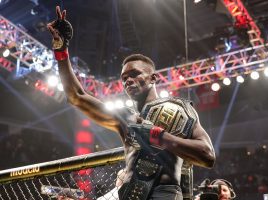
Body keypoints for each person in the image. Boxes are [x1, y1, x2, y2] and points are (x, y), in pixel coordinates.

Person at [47, 6, 216, 200]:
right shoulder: (124, 118)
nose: (128, 80)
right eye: (124, 78)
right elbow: (76, 96)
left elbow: (207, 155)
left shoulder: (180, 111)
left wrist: (158, 136)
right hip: (129, 195)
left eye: (135, 74)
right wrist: (61, 50)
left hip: (164, 194)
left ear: (153, 78)